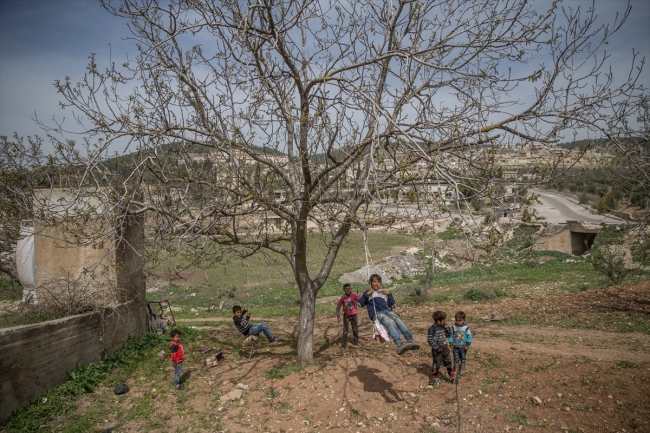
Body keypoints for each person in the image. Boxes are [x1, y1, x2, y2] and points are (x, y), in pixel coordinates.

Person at [358, 273, 420, 355]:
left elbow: (392, 305)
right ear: (371, 283)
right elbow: (360, 304)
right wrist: (366, 294)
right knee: (390, 322)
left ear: (381, 283)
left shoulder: (382, 294)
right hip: (377, 314)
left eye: (378, 282)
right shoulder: (368, 293)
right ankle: (399, 344)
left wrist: (389, 295)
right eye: (374, 282)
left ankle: (411, 340)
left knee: (397, 319)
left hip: (387, 311)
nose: (377, 284)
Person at [427, 310, 455, 385]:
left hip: (445, 349)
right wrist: (437, 348)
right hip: (437, 351)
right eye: (443, 320)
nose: (444, 321)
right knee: (436, 364)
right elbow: (430, 340)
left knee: (449, 363)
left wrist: (447, 328)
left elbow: (449, 335)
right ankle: (433, 377)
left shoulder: (443, 327)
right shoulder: (432, 329)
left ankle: (452, 376)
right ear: (438, 321)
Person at [336, 283, 360, 349]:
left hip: (354, 315)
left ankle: (356, 341)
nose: (347, 290)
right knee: (345, 330)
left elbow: (361, 301)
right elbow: (338, 307)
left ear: (351, 289)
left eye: (349, 288)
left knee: (355, 328)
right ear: (344, 290)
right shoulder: (342, 298)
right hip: (346, 316)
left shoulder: (354, 296)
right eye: (346, 289)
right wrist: (338, 316)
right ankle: (344, 345)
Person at [449, 311, 472, 378]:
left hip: (463, 347)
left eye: (460, 320)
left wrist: (467, 345)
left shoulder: (466, 328)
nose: (458, 322)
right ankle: (456, 369)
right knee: (456, 358)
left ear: (464, 320)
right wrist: (451, 343)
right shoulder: (453, 327)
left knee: (463, 358)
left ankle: (462, 369)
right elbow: (451, 335)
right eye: (457, 320)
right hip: (455, 346)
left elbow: (469, 336)